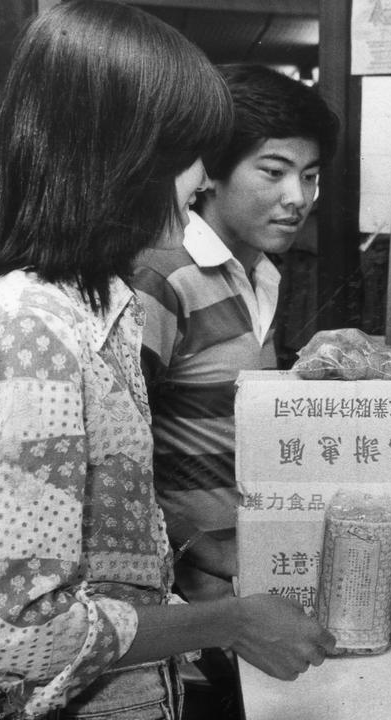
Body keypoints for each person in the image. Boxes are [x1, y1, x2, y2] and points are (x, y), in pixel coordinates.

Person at [0, 4, 334, 718]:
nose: (203, 179)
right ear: (119, 154)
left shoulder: (92, 308)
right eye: (188, 153)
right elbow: (12, 632)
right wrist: (227, 622)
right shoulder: (32, 331)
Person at [131, 63, 337, 604]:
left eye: (311, 176)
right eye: (274, 171)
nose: (298, 196)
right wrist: (200, 548)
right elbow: (111, 458)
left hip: (251, 589)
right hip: (185, 609)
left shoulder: (259, 272)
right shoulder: (163, 277)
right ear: (211, 175)